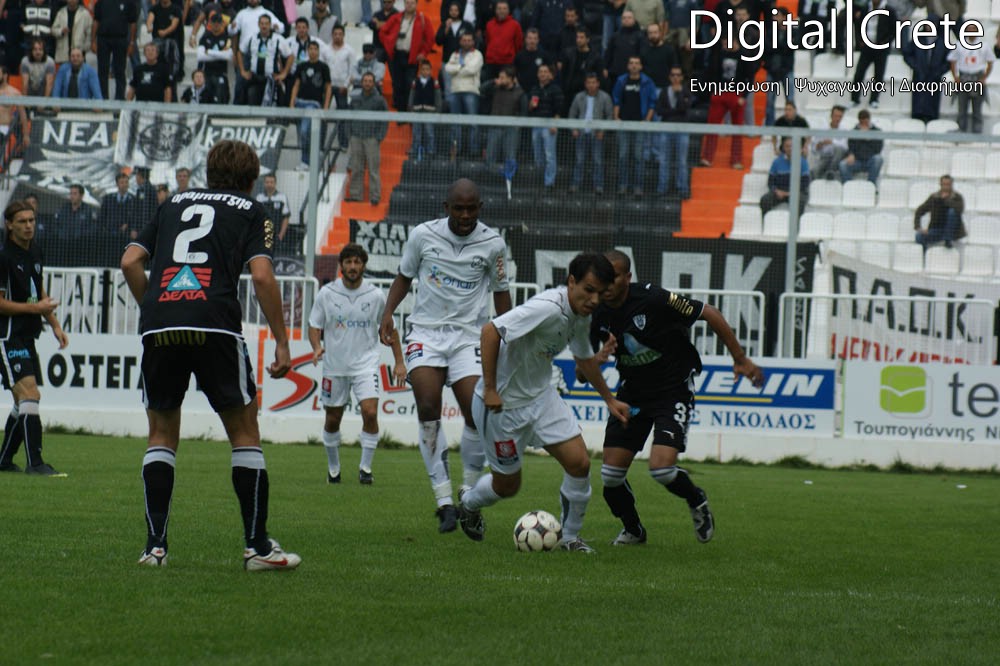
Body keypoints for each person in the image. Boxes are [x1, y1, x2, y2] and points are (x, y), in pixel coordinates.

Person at [119, 139, 300, 571]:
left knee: (161, 434)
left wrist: (155, 308)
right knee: (244, 432)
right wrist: (281, 340)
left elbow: (129, 262)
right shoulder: (253, 210)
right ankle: (257, 548)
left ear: (209, 172)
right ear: (251, 179)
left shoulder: (173, 203)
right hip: (214, 321)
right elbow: (262, 276)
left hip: (161, 322)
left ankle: (155, 548)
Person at [456, 252, 630, 553]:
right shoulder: (547, 308)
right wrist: (491, 388)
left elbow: (583, 358)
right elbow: (490, 332)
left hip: (541, 397)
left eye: (600, 293)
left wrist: (609, 399)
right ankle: (469, 503)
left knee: (579, 463)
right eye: (589, 290)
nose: (594, 300)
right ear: (571, 282)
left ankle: (570, 537)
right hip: (502, 407)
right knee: (507, 486)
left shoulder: (580, 315)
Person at [590, 250, 763, 545]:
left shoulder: (653, 299)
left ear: (628, 278)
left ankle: (696, 498)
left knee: (662, 469)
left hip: (672, 391)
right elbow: (583, 371)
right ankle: (634, 530)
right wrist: (597, 358)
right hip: (631, 395)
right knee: (610, 476)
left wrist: (740, 358)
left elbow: (708, 312)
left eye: (613, 276)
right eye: (602, 276)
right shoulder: (596, 310)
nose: (606, 283)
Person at [379, 178, 512, 533]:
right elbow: (404, 277)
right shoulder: (423, 235)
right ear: (446, 207)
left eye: (471, 209)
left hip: (469, 337)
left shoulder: (493, 243)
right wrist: (388, 312)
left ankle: (467, 492)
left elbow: (501, 293)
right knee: (427, 404)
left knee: (475, 410)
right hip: (426, 332)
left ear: (480, 208)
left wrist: (508, 335)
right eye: (459, 208)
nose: (465, 215)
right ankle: (444, 502)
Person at [308, 243, 406, 485]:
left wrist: (399, 362)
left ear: (364, 265)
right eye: (348, 262)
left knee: (370, 413)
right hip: (335, 366)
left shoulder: (375, 295)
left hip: (366, 365)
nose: (353, 267)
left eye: (357, 262)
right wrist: (317, 347)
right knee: (333, 419)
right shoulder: (327, 293)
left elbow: (390, 329)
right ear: (341, 265)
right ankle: (333, 469)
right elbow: (314, 325)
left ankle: (365, 469)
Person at [0, 201, 70, 476]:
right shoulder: (4, 257)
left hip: (26, 335)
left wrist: (55, 324)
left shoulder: (36, 252)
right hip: (6, 336)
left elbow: (38, 292)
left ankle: (4, 461)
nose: (29, 226)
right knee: (30, 393)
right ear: (9, 225)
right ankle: (36, 463)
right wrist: (36, 309)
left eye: (31, 220)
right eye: (22, 221)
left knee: (23, 401)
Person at [612, 55, 657, 195]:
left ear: (641, 66)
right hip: (624, 123)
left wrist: (647, 120)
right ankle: (623, 185)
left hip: (639, 124)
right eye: (631, 63)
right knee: (623, 156)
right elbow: (616, 100)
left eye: (637, 63)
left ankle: (638, 186)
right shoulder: (621, 81)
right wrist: (616, 117)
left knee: (638, 156)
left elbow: (652, 103)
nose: (634, 65)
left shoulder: (647, 82)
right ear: (628, 66)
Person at [379, 0, 435, 111]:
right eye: (407, 3)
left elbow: (430, 38)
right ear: (404, 4)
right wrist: (389, 45)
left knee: (409, 84)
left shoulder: (422, 19)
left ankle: (409, 110)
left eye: (412, 3)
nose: (409, 5)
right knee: (397, 84)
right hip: (396, 55)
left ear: (416, 4)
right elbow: (382, 32)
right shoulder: (396, 17)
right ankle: (400, 111)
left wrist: (423, 53)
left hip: (411, 57)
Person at [289, 40, 333, 170]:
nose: (313, 51)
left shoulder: (323, 67)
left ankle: (307, 161)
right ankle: (306, 160)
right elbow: (296, 85)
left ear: (318, 51)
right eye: (311, 49)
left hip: (313, 105)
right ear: (307, 51)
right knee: (302, 134)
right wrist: (292, 103)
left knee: (305, 131)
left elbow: (328, 87)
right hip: (300, 102)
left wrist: (326, 107)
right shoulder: (301, 66)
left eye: (315, 49)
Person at [346, 72, 388, 205]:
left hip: (372, 138)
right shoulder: (355, 99)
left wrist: (379, 137)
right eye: (365, 81)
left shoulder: (380, 100)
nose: (367, 83)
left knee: (373, 169)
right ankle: (355, 195)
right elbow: (348, 117)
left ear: (374, 83)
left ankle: (375, 196)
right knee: (356, 167)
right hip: (356, 137)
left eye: (370, 81)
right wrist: (349, 134)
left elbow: (385, 120)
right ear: (361, 82)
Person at [569, 71, 611, 194]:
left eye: (593, 82)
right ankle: (575, 184)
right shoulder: (579, 97)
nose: (591, 85)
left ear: (598, 83)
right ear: (585, 84)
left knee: (597, 160)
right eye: (589, 83)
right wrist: (574, 129)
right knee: (579, 160)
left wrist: (603, 131)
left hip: (597, 134)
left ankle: (598, 186)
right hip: (581, 133)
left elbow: (609, 116)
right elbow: (572, 114)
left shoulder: (605, 97)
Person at [948, 24, 995, 135]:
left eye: (974, 30)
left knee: (977, 109)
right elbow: (952, 60)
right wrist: (955, 77)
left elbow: (990, 62)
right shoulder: (959, 45)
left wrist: (984, 77)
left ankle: (977, 132)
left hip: (977, 78)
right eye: (969, 30)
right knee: (962, 108)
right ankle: (961, 130)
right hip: (963, 78)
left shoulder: (984, 46)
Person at [237, 15, 293, 107]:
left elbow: (290, 56)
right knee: (252, 100)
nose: (264, 26)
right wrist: (242, 71)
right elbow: (240, 52)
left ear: (270, 25)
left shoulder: (278, 39)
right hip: (255, 78)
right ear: (258, 25)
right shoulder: (251, 38)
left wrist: (284, 73)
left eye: (266, 24)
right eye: (262, 24)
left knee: (272, 105)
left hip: (271, 79)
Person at [849, 0, 897, 108]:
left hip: (881, 48)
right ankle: (854, 99)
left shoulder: (889, 10)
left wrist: (886, 42)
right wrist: (860, 41)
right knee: (859, 73)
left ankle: (874, 100)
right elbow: (858, 25)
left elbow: (894, 29)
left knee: (878, 75)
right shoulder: (865, 8)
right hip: (867, 47)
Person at [654, 64, 692, 198]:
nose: (675, 78)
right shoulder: (664, 92)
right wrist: (675, 111)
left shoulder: (686, 91)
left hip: (682, 129)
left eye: (678, 75)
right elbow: (659, 110)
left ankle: (682, 188)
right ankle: (662, 188)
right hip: (666, 129)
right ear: (669, 77)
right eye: (673, 75)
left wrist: (678, 95)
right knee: (664, 159)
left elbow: (685, 108)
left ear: (681, 77)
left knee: (682, 161)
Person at [444, 31, 483, 158]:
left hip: (471, 91)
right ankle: (456, 150)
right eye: (464, 40)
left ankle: (474, 152)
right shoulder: (455, 54)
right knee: (455, 123)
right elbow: (447, 68)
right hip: (455, 91)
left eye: (469, 40)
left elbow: (472, 69)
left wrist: (456, 69)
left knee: (473, 122)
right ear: (460, 41)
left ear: (473, 42)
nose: (466, 43)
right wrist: (461, 67)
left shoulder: (477, 54)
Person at [91, 0, 138, 100]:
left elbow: (133, 23)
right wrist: (93, 41)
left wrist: (132, 43)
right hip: (103, 38)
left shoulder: (129, 3)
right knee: (102, 70)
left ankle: (119, 98)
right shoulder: (101, 2)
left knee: (120, 70)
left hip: (121, 38)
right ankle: (102, 97)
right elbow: (96, 21)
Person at [527, 63, 563, 189]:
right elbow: (529, 109)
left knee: (549, 155)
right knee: (538, 155)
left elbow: (559, 109)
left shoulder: (555, 89)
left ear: (550, 75)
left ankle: (549, 183)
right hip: (536, 124)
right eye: (540, 71)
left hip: (549, 125)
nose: (542, 74)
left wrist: (554, 124)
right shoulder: (534, 89)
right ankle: (540, 179)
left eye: (545, 71)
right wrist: (531, 105)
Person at [483, 65, 524, 174]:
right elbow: (481, 90)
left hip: (511, 129)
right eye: (499, 77)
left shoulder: (520, 92)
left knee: (510, 156)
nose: (500, 80)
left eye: (503, 77)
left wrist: (517, 126)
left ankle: (509, 178)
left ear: (511, 79)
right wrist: (493, 82)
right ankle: (493, 176)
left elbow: (523, 111)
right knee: (490, 156)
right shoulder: (495, 88)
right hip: (495, 127)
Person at [761, 137, 810, 216]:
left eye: (792, 146)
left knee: (799, 201)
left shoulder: (803, 163)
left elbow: (805, 184)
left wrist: (789, 193)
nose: (790, 149)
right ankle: (766, 222)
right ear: (783, 147)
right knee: (765, 200)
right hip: (779, 192)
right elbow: (770, 182)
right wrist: (776, 191)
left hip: (796, 193)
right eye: (787, 146)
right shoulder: (776, 162)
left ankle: (797, 223)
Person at [914, 175, 966, 249]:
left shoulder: (957, 197)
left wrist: (945, 200)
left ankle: (948, 239)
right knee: (919, 237)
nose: (946, 187)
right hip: (937, 230)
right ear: (940, 184)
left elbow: (959, 209)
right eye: (944, 184)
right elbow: (919, 210)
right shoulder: (934, 197)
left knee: (952, 212)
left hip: (952, 232)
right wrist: (918, 227)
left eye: (948, 185)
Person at [197, 10, 234, 104]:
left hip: (221, 73)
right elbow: (200, 56)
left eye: (218, 22)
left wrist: (209, 52)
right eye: (214, 22)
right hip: (207, 73)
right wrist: (220, 54)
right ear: (210, 23)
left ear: (222, 24)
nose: (216, 25)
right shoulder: (205, 37)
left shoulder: (227, 38)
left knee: (221, 95)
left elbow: (228, 56)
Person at [409, 58, 442, 160]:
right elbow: (411, 95)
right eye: (423, 69)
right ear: (420, 70)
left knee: (429, 132)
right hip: (417, 110)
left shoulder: (434, 82)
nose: (425, 71)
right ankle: (414, 150)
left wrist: (437, 110)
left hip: (430, 111)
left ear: (430, 70)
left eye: (427, 69)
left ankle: (431, 151)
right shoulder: (415, 81)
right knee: (416, 132)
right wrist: (411, 108)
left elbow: (438, 97)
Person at [839, 109, 883, 186]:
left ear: (869, 120)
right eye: (862, 122)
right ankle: (848, 186)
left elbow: (878, 149)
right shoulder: (854, 131)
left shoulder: (877, 131)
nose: (864, 124)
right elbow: (851, 147)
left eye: (866, 122)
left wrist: (869, 139)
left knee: (878, 159)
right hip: (857, 161)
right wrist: (851, 154)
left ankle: (871, 185)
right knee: (843, 164)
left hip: (870, 161)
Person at [255, 173, 296, 254]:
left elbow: (286, 217)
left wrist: (281, 235)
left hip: (277, 234)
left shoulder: (282, 197)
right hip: (263, 235)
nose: (269, 184)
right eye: (267, 182)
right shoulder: (259, 198)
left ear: (275, 183)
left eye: (271, 182)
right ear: (264, 183)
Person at [810, 105, 847, 181]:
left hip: (838, 159)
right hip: (825, 157)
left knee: (839, 149)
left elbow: (845, 147)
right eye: (836, 116)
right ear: (831, 116)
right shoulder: (823, 129)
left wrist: (832, 142)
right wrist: (819, 145)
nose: (838, 119)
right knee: (814, 171)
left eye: (840, 116)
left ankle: (831, 171)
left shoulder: (844, 130)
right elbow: (814, 148)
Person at [99, 171, 137, 242]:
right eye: (122, 182)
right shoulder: (108, 198)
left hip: (126, 237)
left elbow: (136, 218)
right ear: (117, 184)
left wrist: (128, 226)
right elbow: (102, 216)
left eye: (126, 182)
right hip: (109, 236)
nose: (125, 185)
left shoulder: (134, 200)